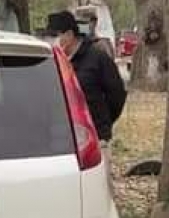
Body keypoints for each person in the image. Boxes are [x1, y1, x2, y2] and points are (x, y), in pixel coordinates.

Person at [46, 10, 127, 148]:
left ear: (70, 35)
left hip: (95, 137)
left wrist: (103, 123)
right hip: (61, 137)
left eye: (55, 36)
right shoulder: (51, 61)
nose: (51, 42)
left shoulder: (97, 58)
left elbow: (117, 95)